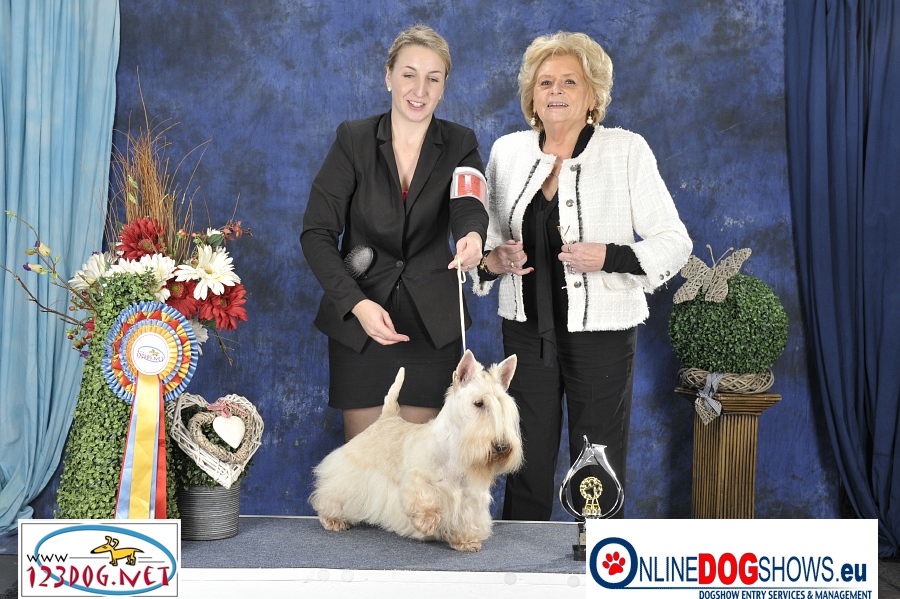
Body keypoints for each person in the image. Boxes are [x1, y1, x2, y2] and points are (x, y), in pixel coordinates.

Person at [471, 32, 691, 520]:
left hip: (603, 335)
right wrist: (494, 261)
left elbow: (675, 241)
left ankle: (598, 558)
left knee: (597, 461)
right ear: (531, 96)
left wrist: (611, 256)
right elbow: (483, 252)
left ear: (593, 95)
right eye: (545, 82)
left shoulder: (626, 150)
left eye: (570, 81)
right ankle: (521, 562)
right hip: (526, 334)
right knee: (521, 459)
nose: (556, 91)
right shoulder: (507, 153)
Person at [301, 25, 488, 442]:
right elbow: (316, 233)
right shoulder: (353, 139)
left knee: (420, 466)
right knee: (367, 465)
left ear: (443, 86)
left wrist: (473, 237)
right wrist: (357, 304)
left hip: (431, 327)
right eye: (408, 74)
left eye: (433, 78)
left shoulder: (460, 142)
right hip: (360, 321)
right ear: (388, 76)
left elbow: (469, 203)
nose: (419, 89)